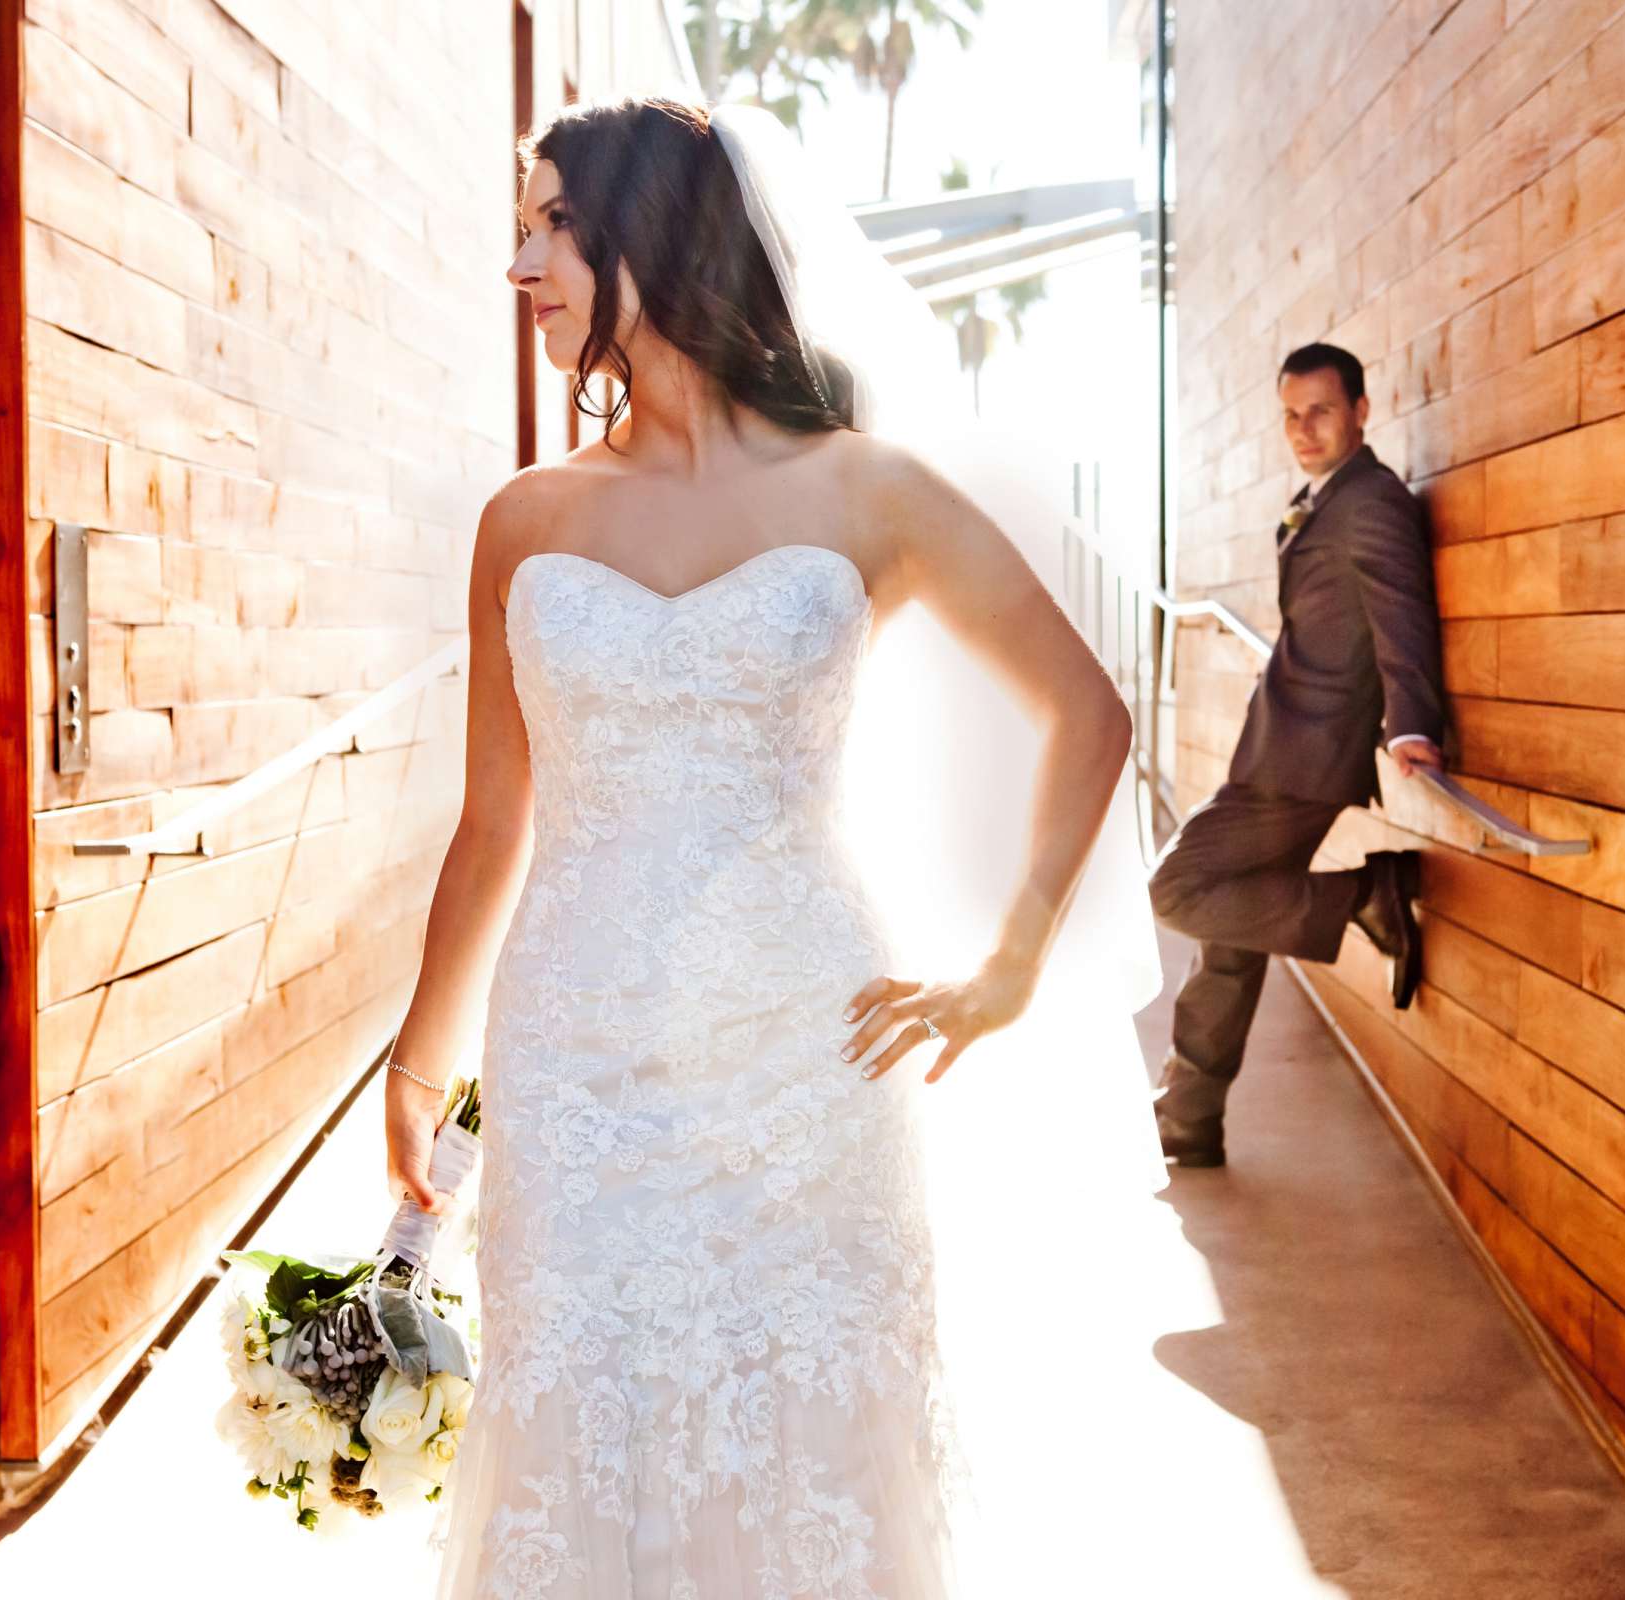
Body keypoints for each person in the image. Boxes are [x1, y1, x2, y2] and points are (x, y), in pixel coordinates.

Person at [378, 97, 1150, 1598]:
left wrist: (1010, 966)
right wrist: (420, 1062)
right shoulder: (523, 522)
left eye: (544, 224)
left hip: (806, 1058)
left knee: (807, 1451)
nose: (518, 265)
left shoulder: (869, 490)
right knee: (578, 1444)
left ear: (644, 238)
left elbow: (1087, 710)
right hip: (577, 1064)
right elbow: (493, 822)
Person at [1145, 342, 1447, 1169]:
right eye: (1290, 414)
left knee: (1173, 889)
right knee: (1229, 934)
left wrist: (1412, 721)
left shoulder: (1373, 502)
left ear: (1360, 409)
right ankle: (1190, 1116)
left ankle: (1363, 894)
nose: (1302, 429)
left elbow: (1402, 612)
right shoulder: (1324, 498)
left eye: (1319, 410)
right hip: (1278, 745)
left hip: (1305, 755)